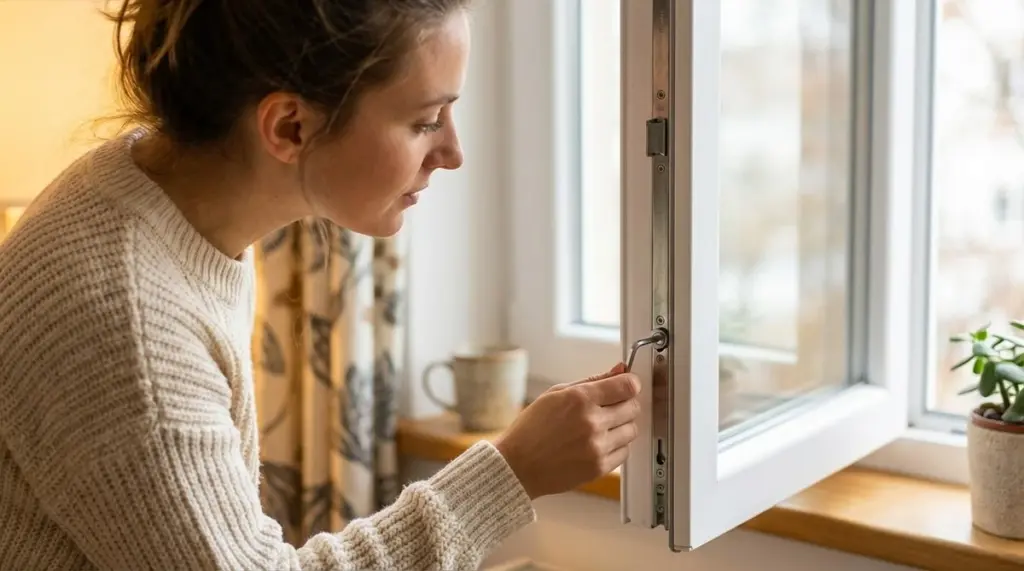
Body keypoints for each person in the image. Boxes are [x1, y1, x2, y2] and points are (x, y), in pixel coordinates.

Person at [0, 0, 643, 569]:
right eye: (425, 121)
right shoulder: (128, 322)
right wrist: (510, 474)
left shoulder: (155, 197)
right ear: (289, 128)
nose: (452, 152)